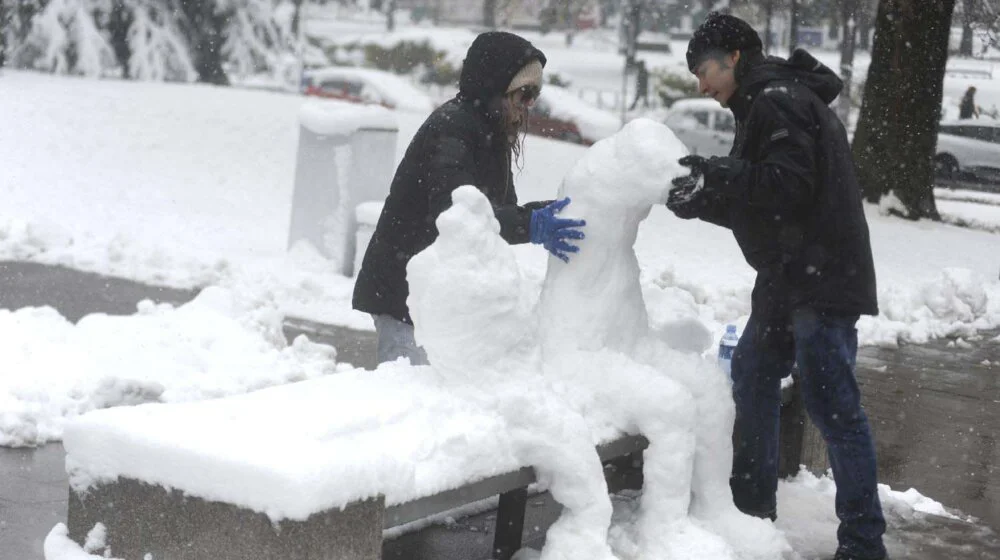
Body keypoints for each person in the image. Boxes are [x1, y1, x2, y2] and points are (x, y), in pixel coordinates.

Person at [666, 13, 887, 560]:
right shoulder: (762, 101)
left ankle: (863, 543)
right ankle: (751, 514)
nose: (701, 85)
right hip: (789, 276)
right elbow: (763, 199)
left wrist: (718, 174)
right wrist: (702, 201)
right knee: (753, 375)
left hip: (822, 277)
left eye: (704, 70)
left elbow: (788, 186)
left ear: (734, 56)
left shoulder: (775, 99)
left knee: (833, 406)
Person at [352, 31, 586, 366]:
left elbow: (495, 215)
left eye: (535, 94)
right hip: (404, 293)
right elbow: (457, 215)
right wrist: (531, 225)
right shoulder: (453, 129)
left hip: (437, 295)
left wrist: (540, 214)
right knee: (410, 397)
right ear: (496, 86)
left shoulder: (491, 132)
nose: (529, 104)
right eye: (524, 92)